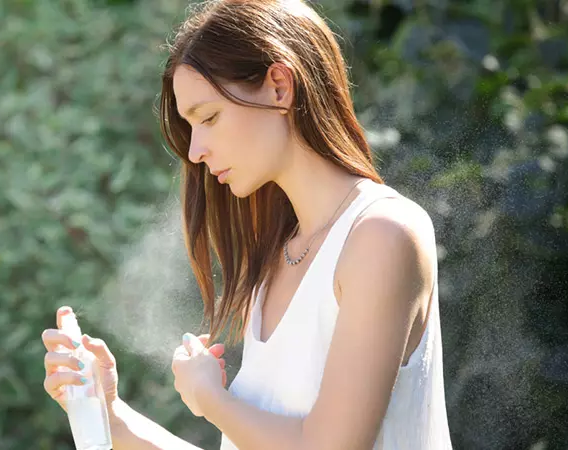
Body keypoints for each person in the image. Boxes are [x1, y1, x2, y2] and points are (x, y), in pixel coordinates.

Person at [41, 0, 454, 448]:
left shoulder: (381, 235)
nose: (195, 150)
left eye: (210, 117)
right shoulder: (275, 260)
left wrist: (211, 399)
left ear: (279, 86)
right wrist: (113, 416)